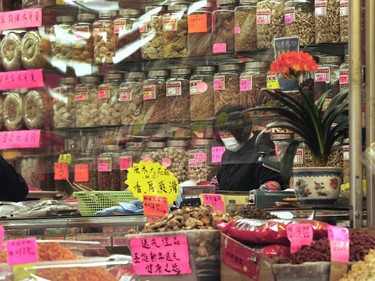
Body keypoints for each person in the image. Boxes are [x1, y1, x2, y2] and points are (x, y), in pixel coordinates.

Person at [212, 104, 285, 191]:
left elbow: (273, 183)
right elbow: (220, 180)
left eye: (229, 134)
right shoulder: (228, 153)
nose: (226, 139)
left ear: (243, 130)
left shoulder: (263, 150)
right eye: (222, 135)